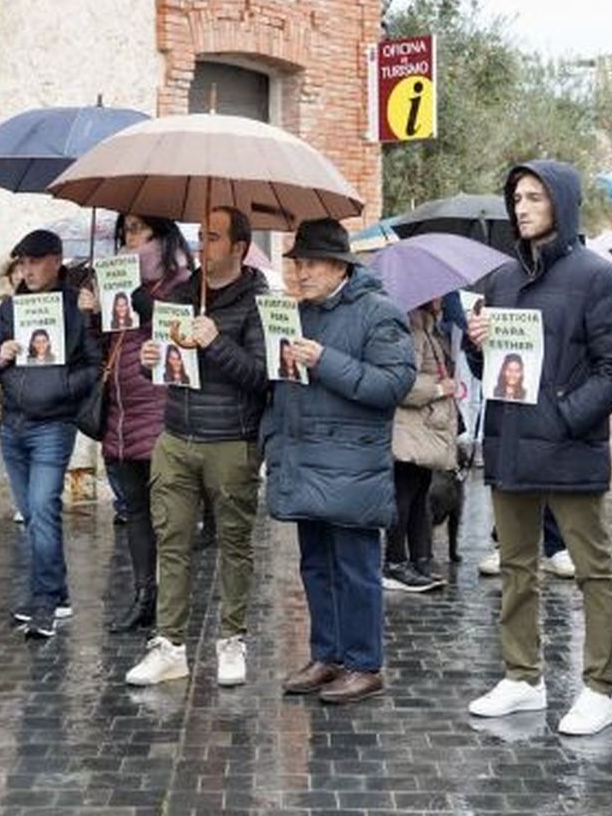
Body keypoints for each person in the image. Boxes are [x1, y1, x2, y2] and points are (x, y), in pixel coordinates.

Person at [464, 160, 612, 736]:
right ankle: (522, 676)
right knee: (516, 566)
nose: (523, 206)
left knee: (592, 571)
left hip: (567, 446)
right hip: (511, 443)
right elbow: (493, 368)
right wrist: (477, 345)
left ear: (559, 201)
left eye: (535, 196)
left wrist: (564, 416)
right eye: (516, 197)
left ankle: (599, 688)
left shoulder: (597, 275)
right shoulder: (503, 278)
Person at [262, 218, 414, 703]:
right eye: (296, 263)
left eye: (310, 263)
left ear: (338, 265)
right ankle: (327, 654)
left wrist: (324, 360)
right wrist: (273, 439)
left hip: (351, 465)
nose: (301, 273)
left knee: (355, 567)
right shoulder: (297, 313)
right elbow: (280, 386)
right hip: (305, 459)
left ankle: (365, 664)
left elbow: (392, 385)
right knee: (315, 566)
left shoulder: (380, 312)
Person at [124, 206, 267, 687]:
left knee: (233, 544)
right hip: (177, 434)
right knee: (173, 540)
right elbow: (166, 367)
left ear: (239, 248)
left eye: (214, 236)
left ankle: (232, 640)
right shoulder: (182, 294)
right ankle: (169, 645)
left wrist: (216, 341)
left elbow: (260, 377)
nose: (203, 244)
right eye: (201, 235)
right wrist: (148, 361)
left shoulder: (257, 300)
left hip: (231, 439)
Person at [0, 229, 100, 637]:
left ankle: (45, 601)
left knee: (43, 507)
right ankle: (58, 593)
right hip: (14, 424)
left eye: (33, 262)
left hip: (54, 424)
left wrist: (63, 388)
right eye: (21, 263)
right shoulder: (11, 310)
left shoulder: (74, 307)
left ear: (55, 260)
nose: (26, 270)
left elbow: (94, 365)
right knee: (33, 515)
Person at [82, 213, 193, 634]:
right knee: (135, 515)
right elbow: (106, 349)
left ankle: (172, 602)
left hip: (161, 413)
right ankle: (144, 596)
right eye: (123, 230)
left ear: (160, 235)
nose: (126, 239)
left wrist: (145, 301)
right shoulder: (116, 283)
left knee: (170, 517)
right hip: (121, 415)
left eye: (135, 230)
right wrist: (93, 315)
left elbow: (178, 334)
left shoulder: (181, 282)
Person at [386, 298, 457, 593]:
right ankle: (395, 562)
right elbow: (402, 384)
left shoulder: (428, 326)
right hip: (409, 430)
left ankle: (420, 558)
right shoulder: (411, 329)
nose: (444, 297)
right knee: (404, 497)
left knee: (418, 497)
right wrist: (441, 388)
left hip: (426, 431)